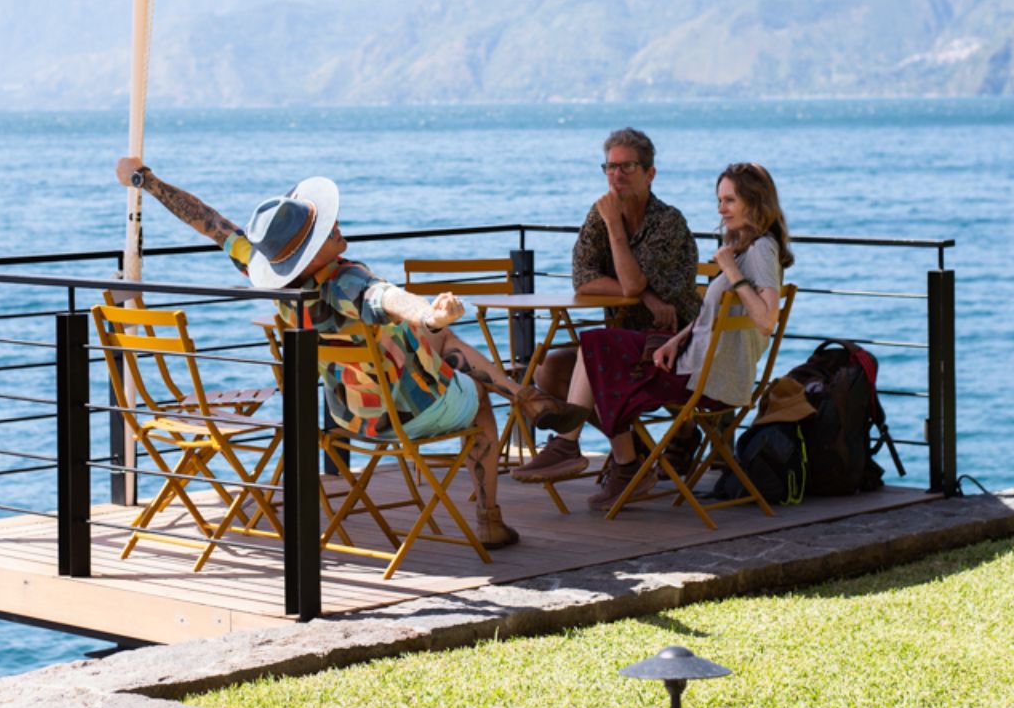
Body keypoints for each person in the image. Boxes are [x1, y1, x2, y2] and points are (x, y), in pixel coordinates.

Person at [113, 156, 522, 547]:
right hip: (407, 413)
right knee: (479, 400)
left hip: (347, 418)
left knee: (440, 346)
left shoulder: (275, 275)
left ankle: (528, 398)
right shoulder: (345, 282)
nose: (337, 227)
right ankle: (490, 517)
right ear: (308, 252)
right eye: (326, 230)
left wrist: (146, 181)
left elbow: (211, 223)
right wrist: (430, 316)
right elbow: (386, 297)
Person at [542, 162, 794, 512]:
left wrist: (731, 271)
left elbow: (766, 320)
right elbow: (716, 317)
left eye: (730, 200)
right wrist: (677, 340)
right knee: (598, 348)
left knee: (598, 349)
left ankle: (595, 455)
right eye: (719, 200)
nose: (721, 208)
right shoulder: (746, 248)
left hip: (705, 382)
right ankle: (597, 456)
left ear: (755, 203)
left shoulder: (760, 250)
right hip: (695, 365)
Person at [512, 127, 700, 483]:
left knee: (593, 351)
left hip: (672, 348)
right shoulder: (600, 213)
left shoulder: (667, 222)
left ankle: (620, 462)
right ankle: (634, 451)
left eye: (627, 167)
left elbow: (630, 281)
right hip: (623, 343)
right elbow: (583, 279)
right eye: (610, 167)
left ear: (649, 174)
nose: (617, 175)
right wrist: (645, 295)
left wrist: (615, 226)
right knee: (549, 371)